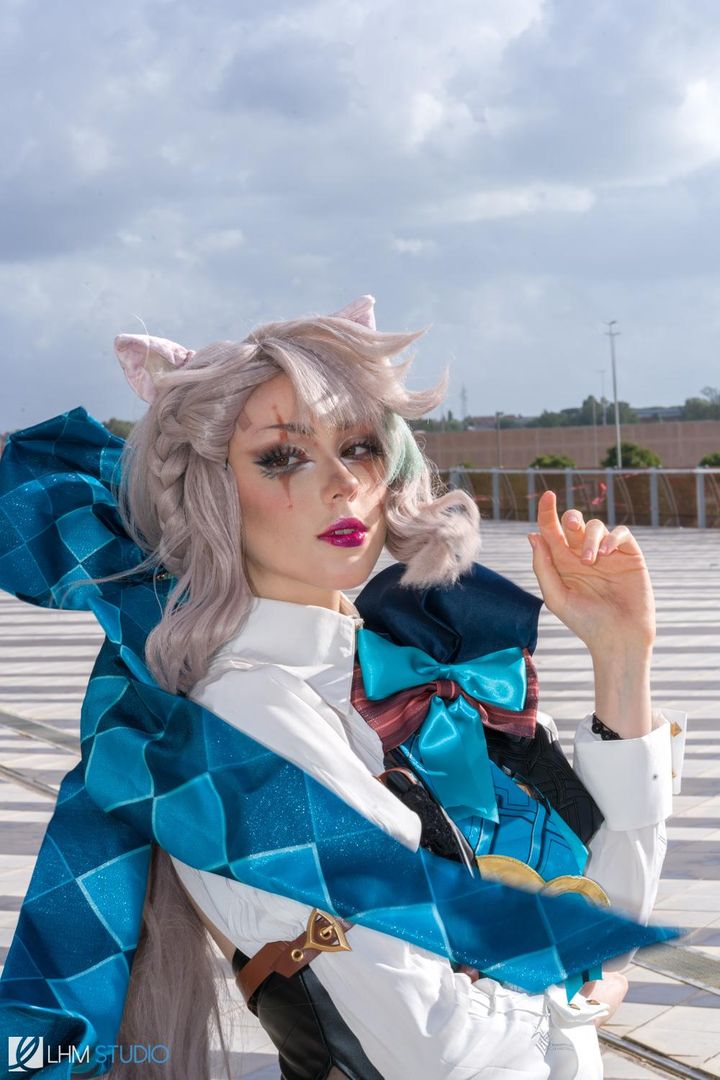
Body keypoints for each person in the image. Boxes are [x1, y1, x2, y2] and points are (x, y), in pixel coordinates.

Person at [0, 295, 684, 1080]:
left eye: (359, 446)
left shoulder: (414, 671)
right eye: (282, 457)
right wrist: (566, 991)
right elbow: (438, 1049)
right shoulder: (251, 715)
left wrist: (621, 659)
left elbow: (596, 908)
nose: (340, 484)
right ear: (211, 491)